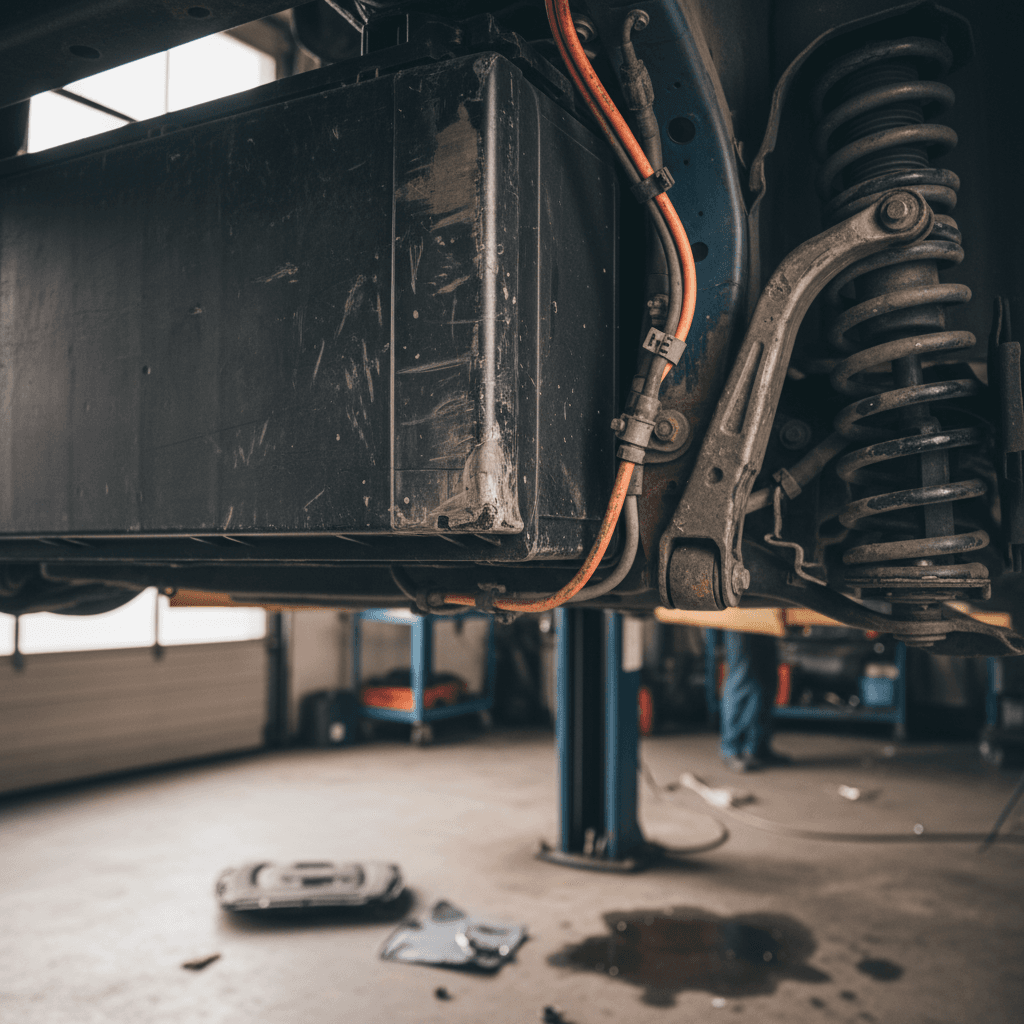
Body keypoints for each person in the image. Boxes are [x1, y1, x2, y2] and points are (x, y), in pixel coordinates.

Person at [704, 628, 791, 772]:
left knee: (766, 675)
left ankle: (757, 748)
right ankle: (733, 749)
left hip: (766, 618)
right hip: (741, 618)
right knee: (743, 673)